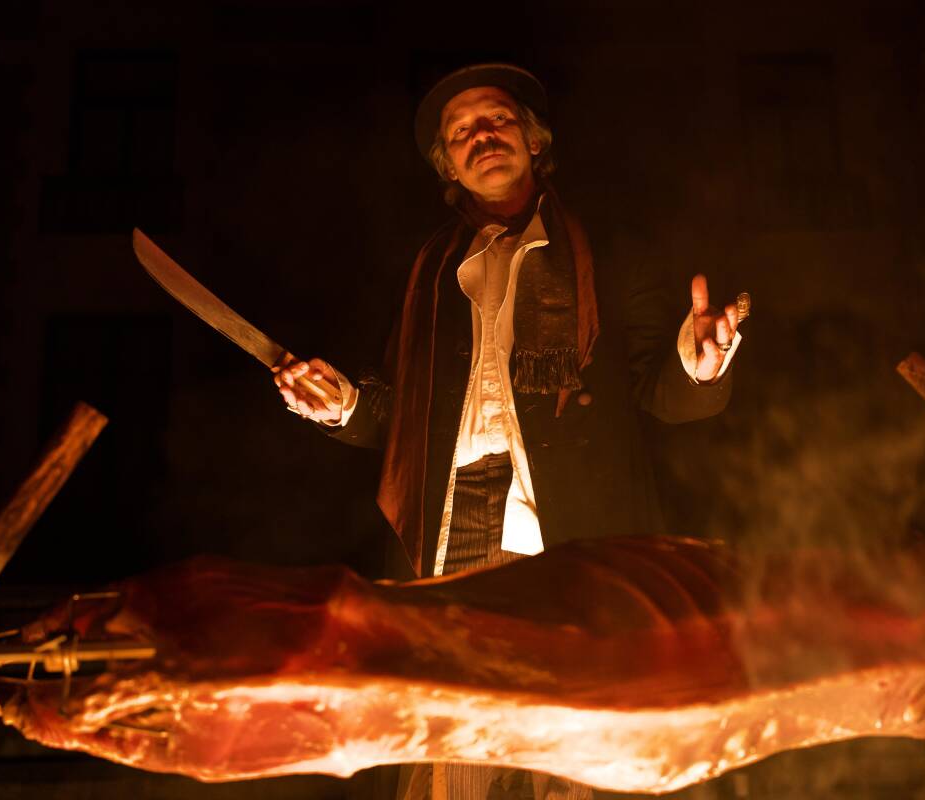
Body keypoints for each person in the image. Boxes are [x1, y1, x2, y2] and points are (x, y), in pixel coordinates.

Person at [274, 62, 744, 800]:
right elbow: (403, 418)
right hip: (457, 525)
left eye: (495, 118)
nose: (481, 136)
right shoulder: (431, 270)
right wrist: (342, 407)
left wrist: (698, 364)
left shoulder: (610, 251)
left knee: (586, 747)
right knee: (453, 751)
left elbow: (661, 392)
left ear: (532, 137)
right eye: (460, 132)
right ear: (448, 163)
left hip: (581, 529)